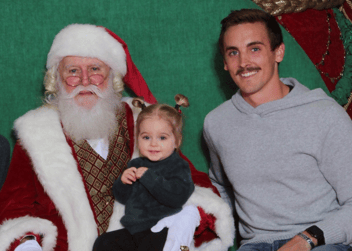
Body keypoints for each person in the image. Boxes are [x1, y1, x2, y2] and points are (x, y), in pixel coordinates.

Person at [0, 24, 235, 251]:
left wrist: (190, 213)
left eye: (95, 69)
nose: (84, 80)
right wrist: (27, 242)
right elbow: (14, 204)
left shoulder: (143, 120)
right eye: (72, 71)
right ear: (57, 80)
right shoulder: (36, 132)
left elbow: (191, 180)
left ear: (113, 76)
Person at [204, 8, 352, 251]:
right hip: (256, 245)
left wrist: (306, 239)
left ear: (278, 52)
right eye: (233, 53)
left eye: (254, 49)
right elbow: (220, 187)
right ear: (225, 63)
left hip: (322, 241)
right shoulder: (216, 123)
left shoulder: (325, 114)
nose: (243, 63)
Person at [94, 95, 195, 251]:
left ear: (177, 141)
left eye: (162, 137)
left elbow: (177, 197)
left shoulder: (177, 166)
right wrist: (123, 182)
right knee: (104, 242)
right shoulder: (136, 164)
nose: (153, 143)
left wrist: (150, 178)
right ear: (137, 138)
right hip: (134, 229)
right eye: (146, 137)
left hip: (161, 228)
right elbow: (122, 197)